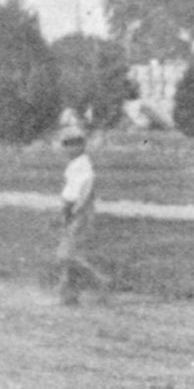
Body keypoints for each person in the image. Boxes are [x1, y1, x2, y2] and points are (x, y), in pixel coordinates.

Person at [55, 120, 105, 305]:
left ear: (82, 145)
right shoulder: (76, 165)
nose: (68, 148)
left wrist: (64, 214)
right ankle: (68, 294)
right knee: (69, 253)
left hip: (79, 214)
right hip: (78, 213)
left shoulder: (81, 167)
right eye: (66, 144)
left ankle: (99, 282)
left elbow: (71, 197)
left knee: (67, 255)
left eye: (73, 144)